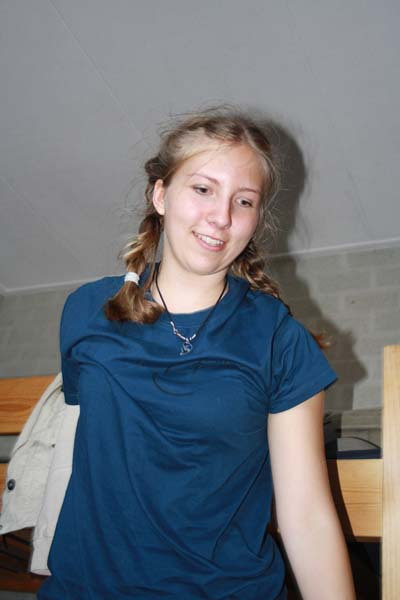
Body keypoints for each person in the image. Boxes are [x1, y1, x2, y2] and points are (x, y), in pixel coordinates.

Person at [38, 109, 356, 599]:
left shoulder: (279, 338)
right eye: (203, 189)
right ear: (160, 195)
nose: (222, 217)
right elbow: (85, 451)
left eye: (244, 201)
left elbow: (307, 517)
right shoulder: (86, 311)